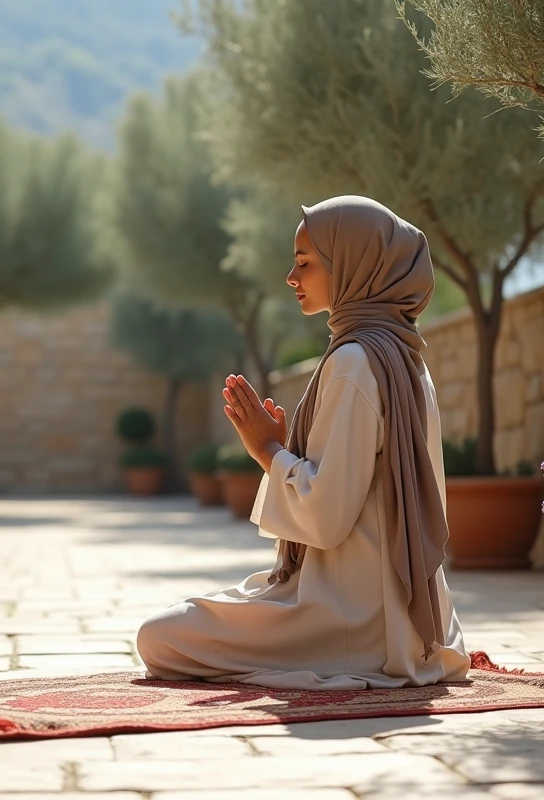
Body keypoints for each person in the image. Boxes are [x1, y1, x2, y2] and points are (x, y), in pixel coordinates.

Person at [136, 195, 469, 691]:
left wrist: (267, 452)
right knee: (227, 605)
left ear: (352, 264)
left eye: (304, 262)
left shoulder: (355, 361)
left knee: (158, 637)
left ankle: (321, 662)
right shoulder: (406, 360)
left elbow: (327, 516)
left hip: (349, 620)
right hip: (404, 614)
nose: (291, 278)